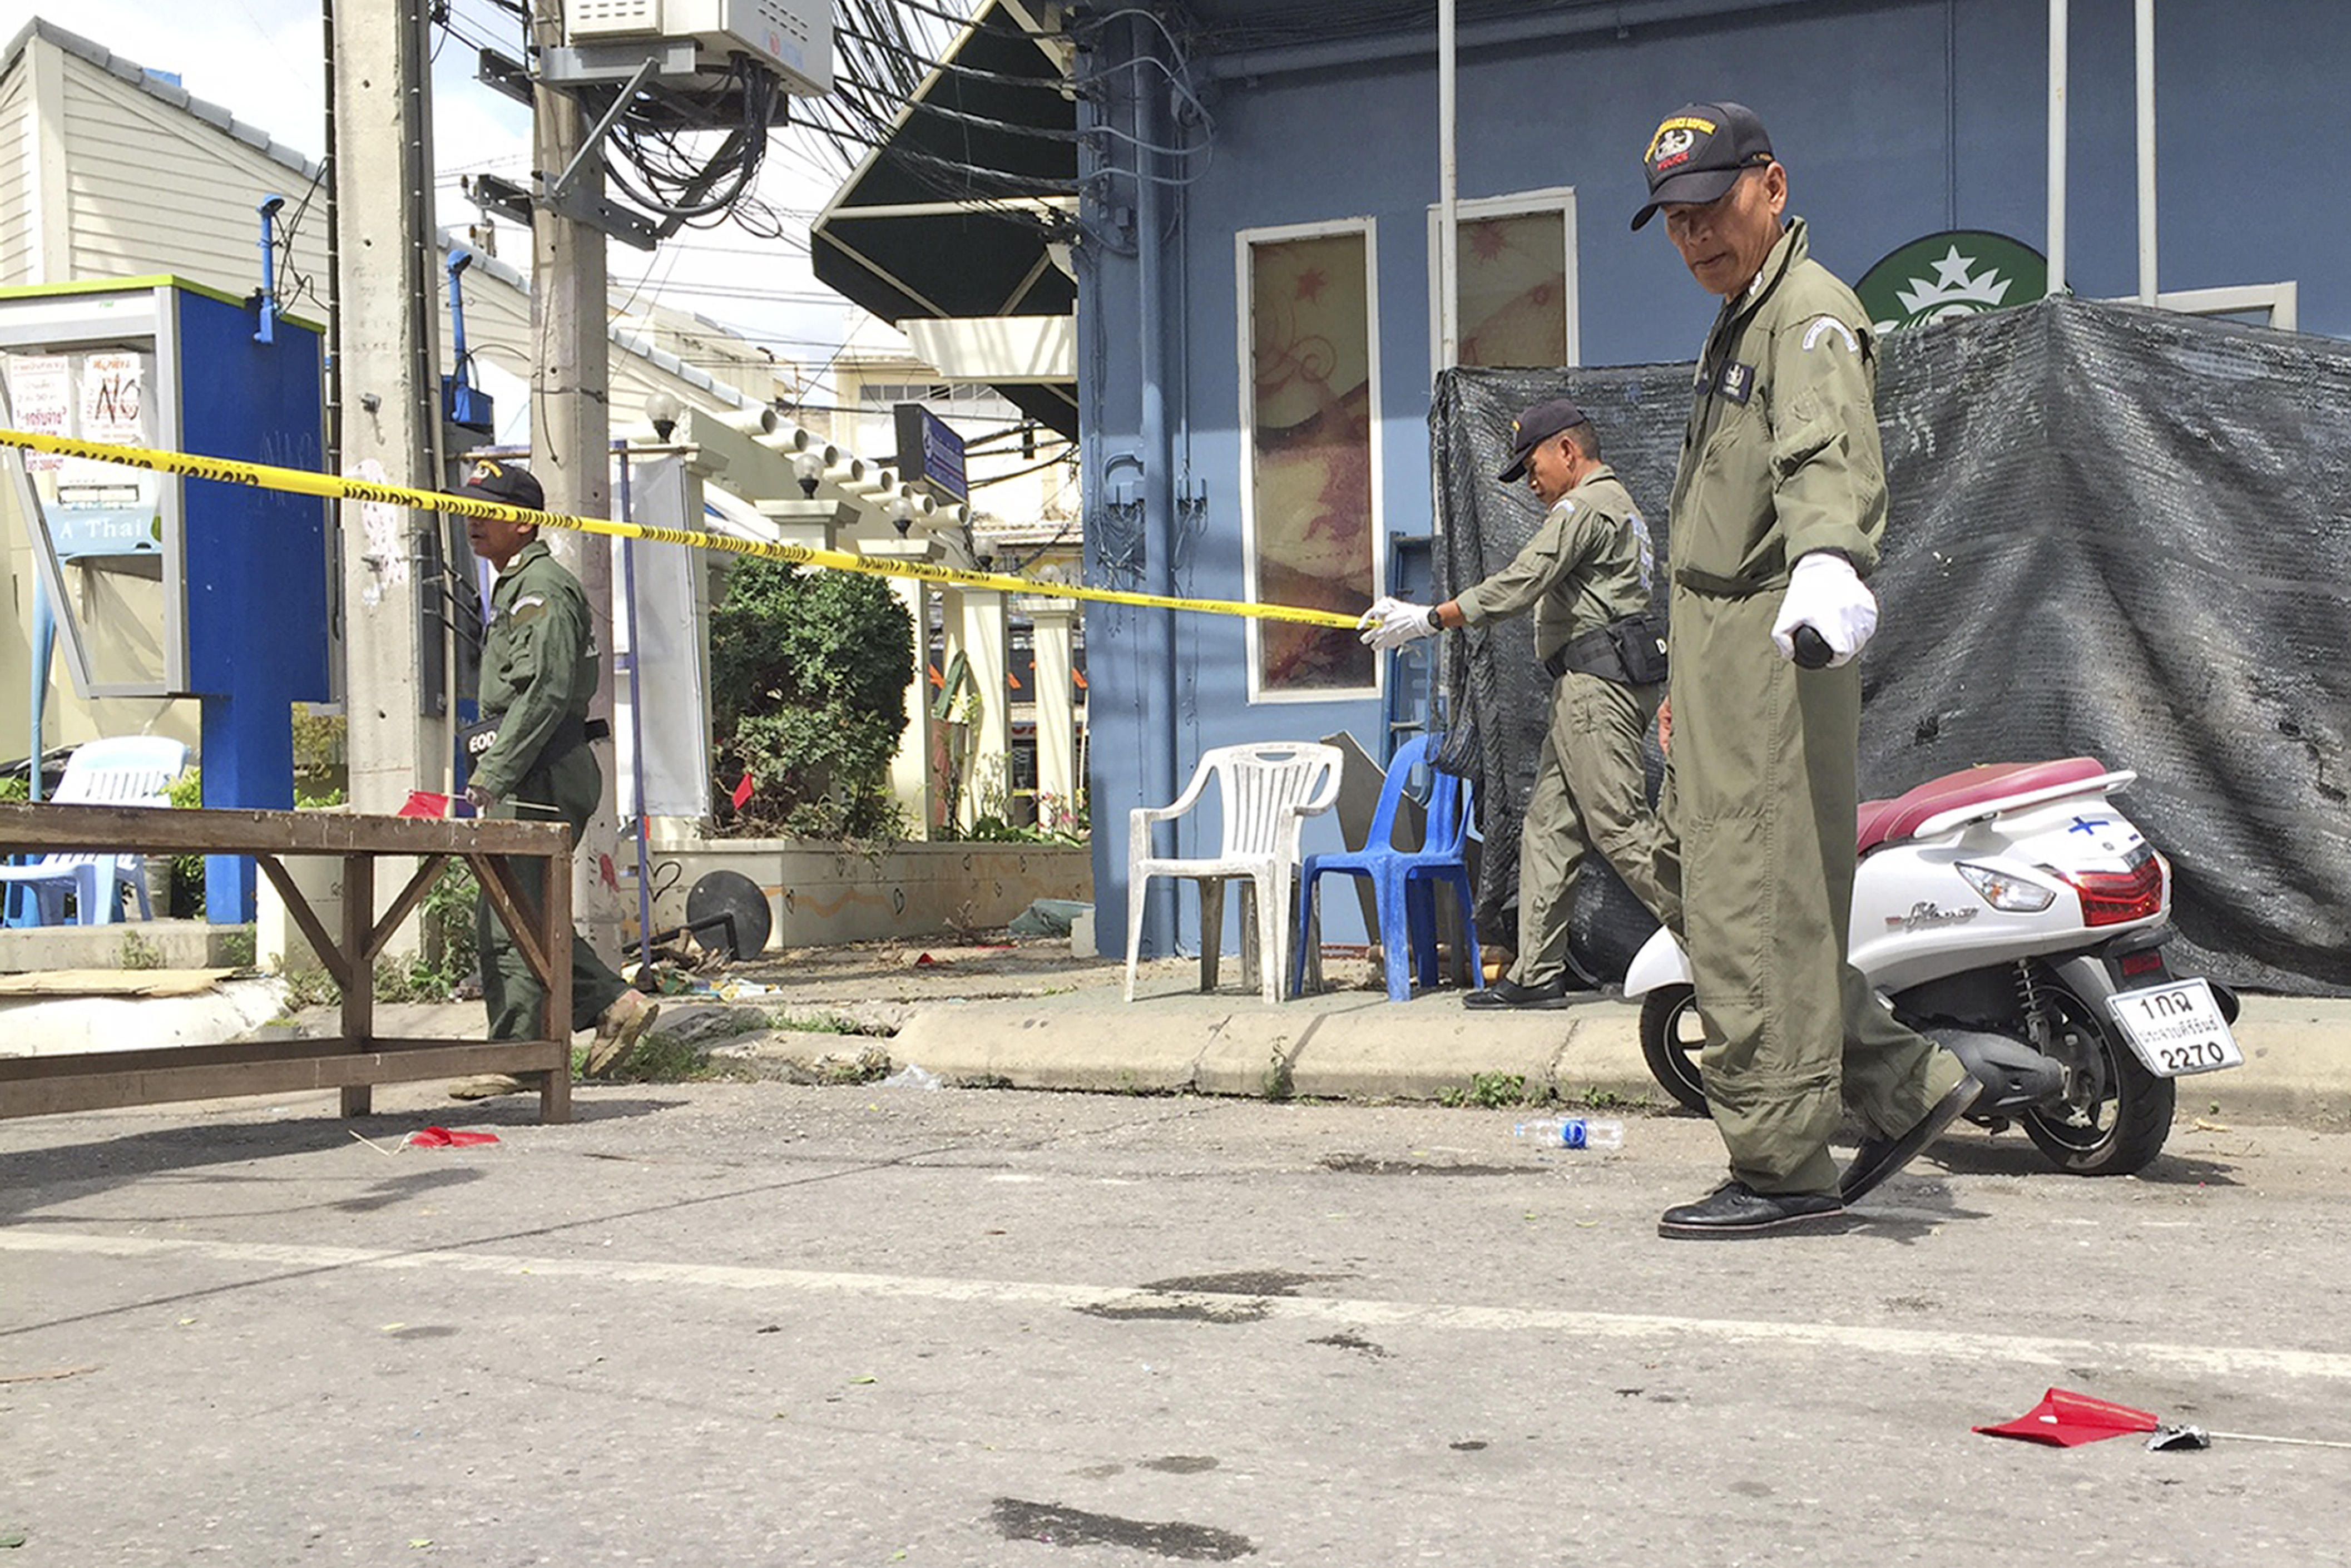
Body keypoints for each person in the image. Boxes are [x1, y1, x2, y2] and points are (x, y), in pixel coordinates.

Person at [1630, 101, 1979, 1236]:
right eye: (1674, 222)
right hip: (1729, 647)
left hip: (1785, 636)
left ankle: (1781, 1163)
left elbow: (1824, 458)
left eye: (1711, 208)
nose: (1694, 238)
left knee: (1754, 900)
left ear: (1769, 187)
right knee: (1728, 884)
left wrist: (1828, 559)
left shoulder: (1806, 314)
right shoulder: (1743, 317)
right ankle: (1901, 1083)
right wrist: (1694, 670)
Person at [1360, 398, 1676, 1009]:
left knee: (1620, 827)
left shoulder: (1584, 506)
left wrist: (1432, 618)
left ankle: (1727, 951)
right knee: (1549, 828)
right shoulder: (1619, 507)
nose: (1532, 484)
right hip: (1594, 683)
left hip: (1595, 687)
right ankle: (1537, 971)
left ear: (1567, 450)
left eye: (1533, 467)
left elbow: (1524, 579)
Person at [446, 456, 657, 1099]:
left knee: (509, 914)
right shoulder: (515, 587)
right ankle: (611, 1005)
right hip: (531, 764)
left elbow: (544, 690)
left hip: (538, 768)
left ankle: (519, 1053)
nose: (474, 520)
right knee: (523, 912)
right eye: (470, 507)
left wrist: (495, 771)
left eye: (489, 509)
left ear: (523, 522)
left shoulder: (542, 589)